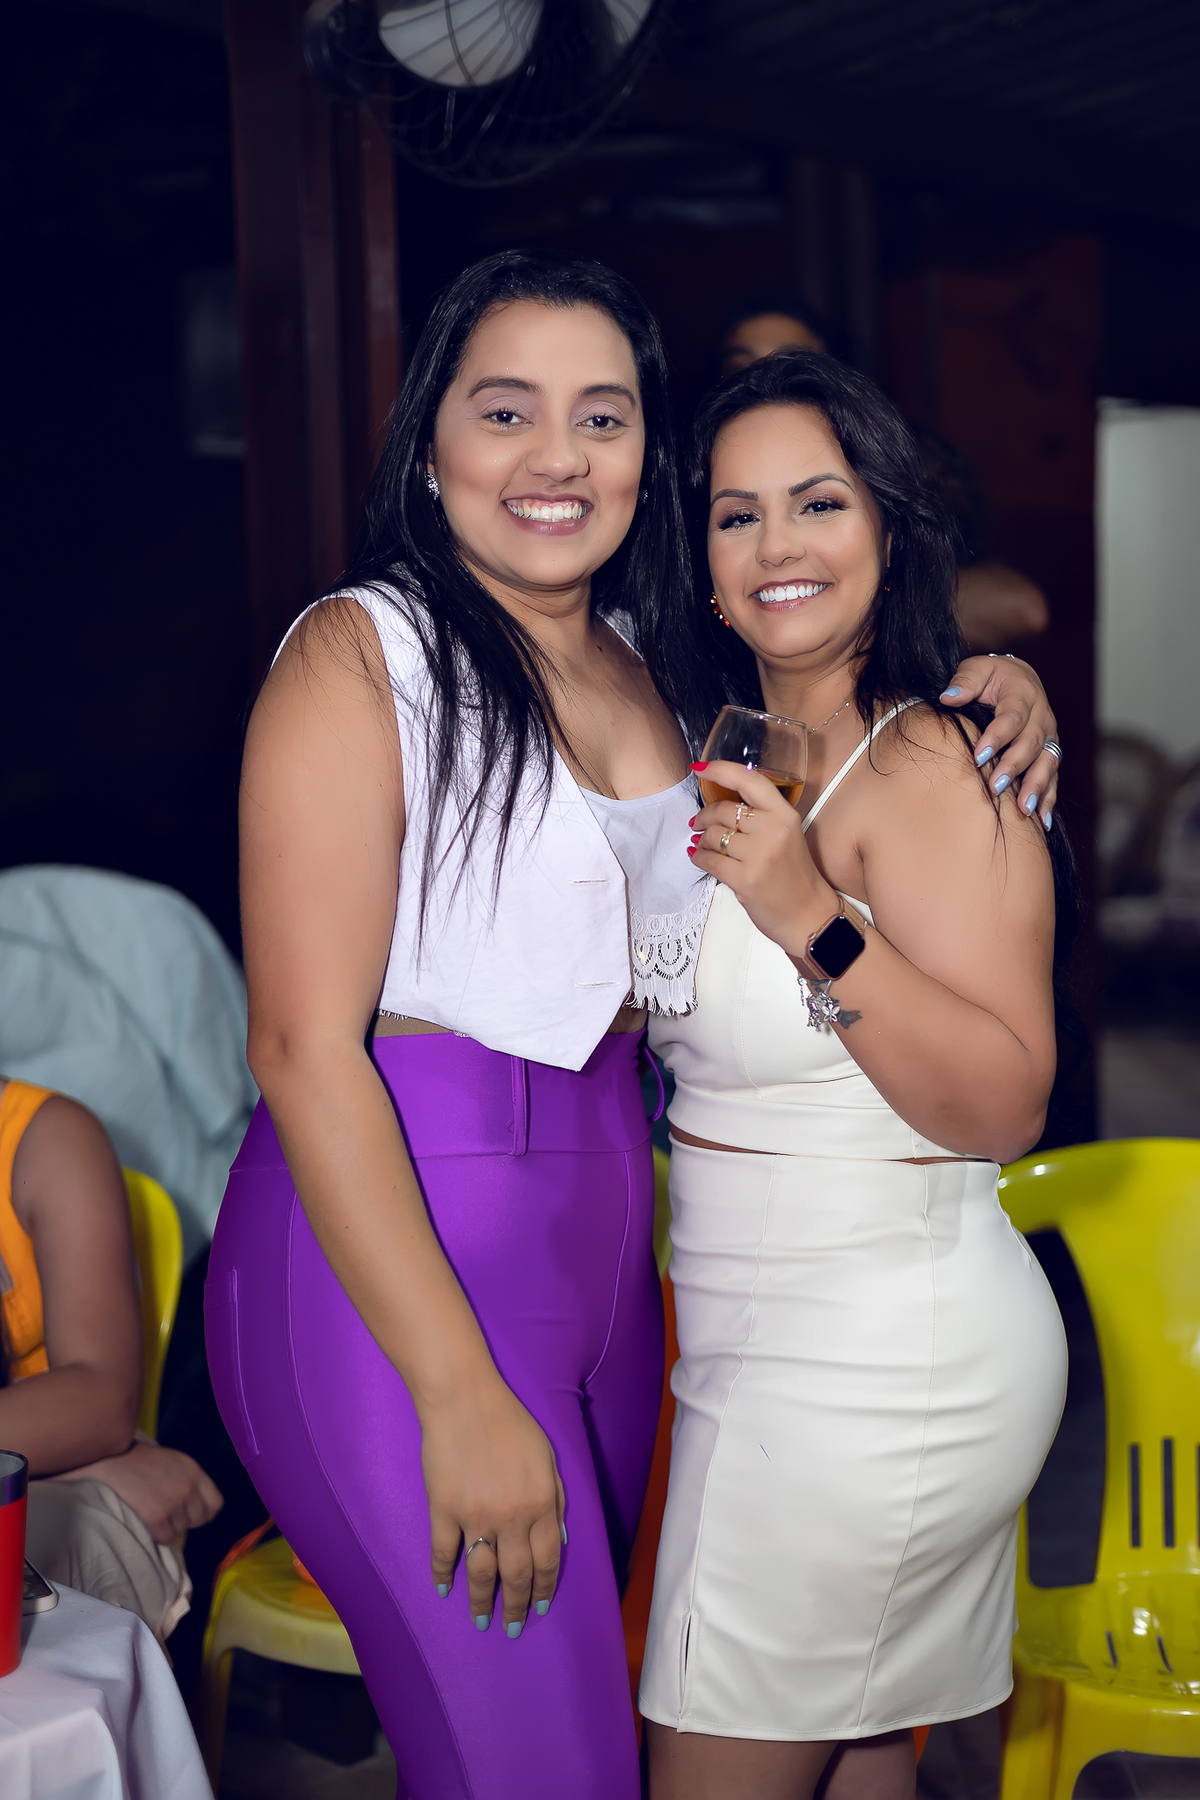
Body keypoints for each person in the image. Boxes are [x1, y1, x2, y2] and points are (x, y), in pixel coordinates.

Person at [205, 250, 1061, 1800]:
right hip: (408, 1267)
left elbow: (866, 667)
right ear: (430, 443)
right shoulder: (367, 649)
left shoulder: (656, 676)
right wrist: (456, 1390)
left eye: (600, 417)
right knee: (554, 1766)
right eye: (505, 411)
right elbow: (298, 1048)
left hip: (625, 1284)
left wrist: (991, 677)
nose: (556, 456)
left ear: (642, 461)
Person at [638, 348, 1071, 1799]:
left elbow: (1007, 1102)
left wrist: (810, 916)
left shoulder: (929, 766)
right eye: (737, 513)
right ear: (703, 564)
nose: (778, 545)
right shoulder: (726, 751)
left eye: (818, 503)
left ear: (888, 526)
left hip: (875, 1363)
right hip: (764, 1346)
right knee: (855, 1764)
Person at [0, 1076, 223, 1647]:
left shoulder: (43, 1139)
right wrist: (80, 1465)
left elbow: (100, 1400)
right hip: (57, 1458)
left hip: (56, 1457)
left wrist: (65, 1464)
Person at [717, 296, 1050, 653]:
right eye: (740, 518)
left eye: (820, 506)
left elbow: (1021, 607)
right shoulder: (697, 480)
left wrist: (867, 602)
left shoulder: (907, 465)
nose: (768, 383)